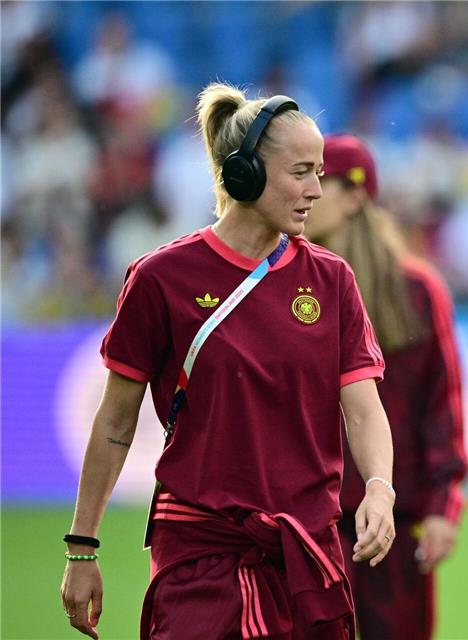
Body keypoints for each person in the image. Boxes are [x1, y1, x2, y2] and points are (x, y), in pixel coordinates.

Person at [60, 83, 397, 640]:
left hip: (307, 552)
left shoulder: (332, 279)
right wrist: (82, 548)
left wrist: (380, 489)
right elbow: (116, 423)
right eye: (302, 172)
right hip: (199, 552)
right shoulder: (160, 279)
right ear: (244, 175)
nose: (317, 189)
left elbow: (362, 410)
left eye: (321, 172)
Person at [304, 134, 468, 640]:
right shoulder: (279, 286)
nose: (305, 191)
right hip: (304, 520)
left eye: (318, 179)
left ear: (354, 195)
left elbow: (441, 407)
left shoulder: (417, 290)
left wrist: (444, 506)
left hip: (392, 521)